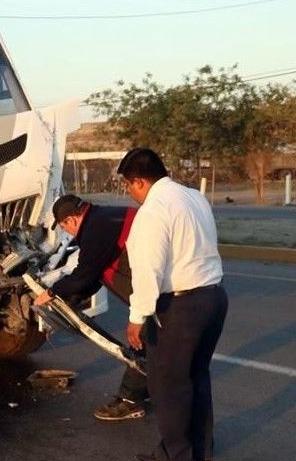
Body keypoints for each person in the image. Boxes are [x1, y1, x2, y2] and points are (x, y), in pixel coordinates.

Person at [118, 148, 228, 461]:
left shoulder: (153, 210)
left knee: (168, 387)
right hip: (214, 297)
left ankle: (176, 455)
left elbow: (148, 268)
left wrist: (137, 317)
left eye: (128, 185)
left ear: (139, 181)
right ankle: (198, 451)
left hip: (182, 307)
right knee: (197, 378)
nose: (129, 193)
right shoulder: (193, 197)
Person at [34, 194, 148, 421]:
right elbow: (96, 274)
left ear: (71, 219)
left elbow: (85, 274)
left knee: (144, 341)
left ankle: (130, 400)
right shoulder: (103, 218)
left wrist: (51, 292)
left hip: (156, 288)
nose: (67, 232)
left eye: (65, 226)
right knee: (152, 343)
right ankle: (149, 390)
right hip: (156, 282)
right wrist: (72, 300)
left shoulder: (96, 228)